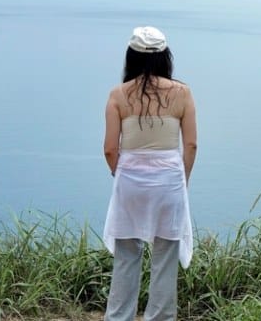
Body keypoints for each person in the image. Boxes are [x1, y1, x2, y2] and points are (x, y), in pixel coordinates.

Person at [102, 26, 198, 321]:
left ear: (131, 56)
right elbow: (191, 144)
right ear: (164, 57)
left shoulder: (119, 95)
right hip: (169, 182)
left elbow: (109, 149)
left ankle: (119, 317)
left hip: (130, 182)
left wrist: (125, 176)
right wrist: (181, 182)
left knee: (127, 256)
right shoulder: (182, 93)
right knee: (165, 258)